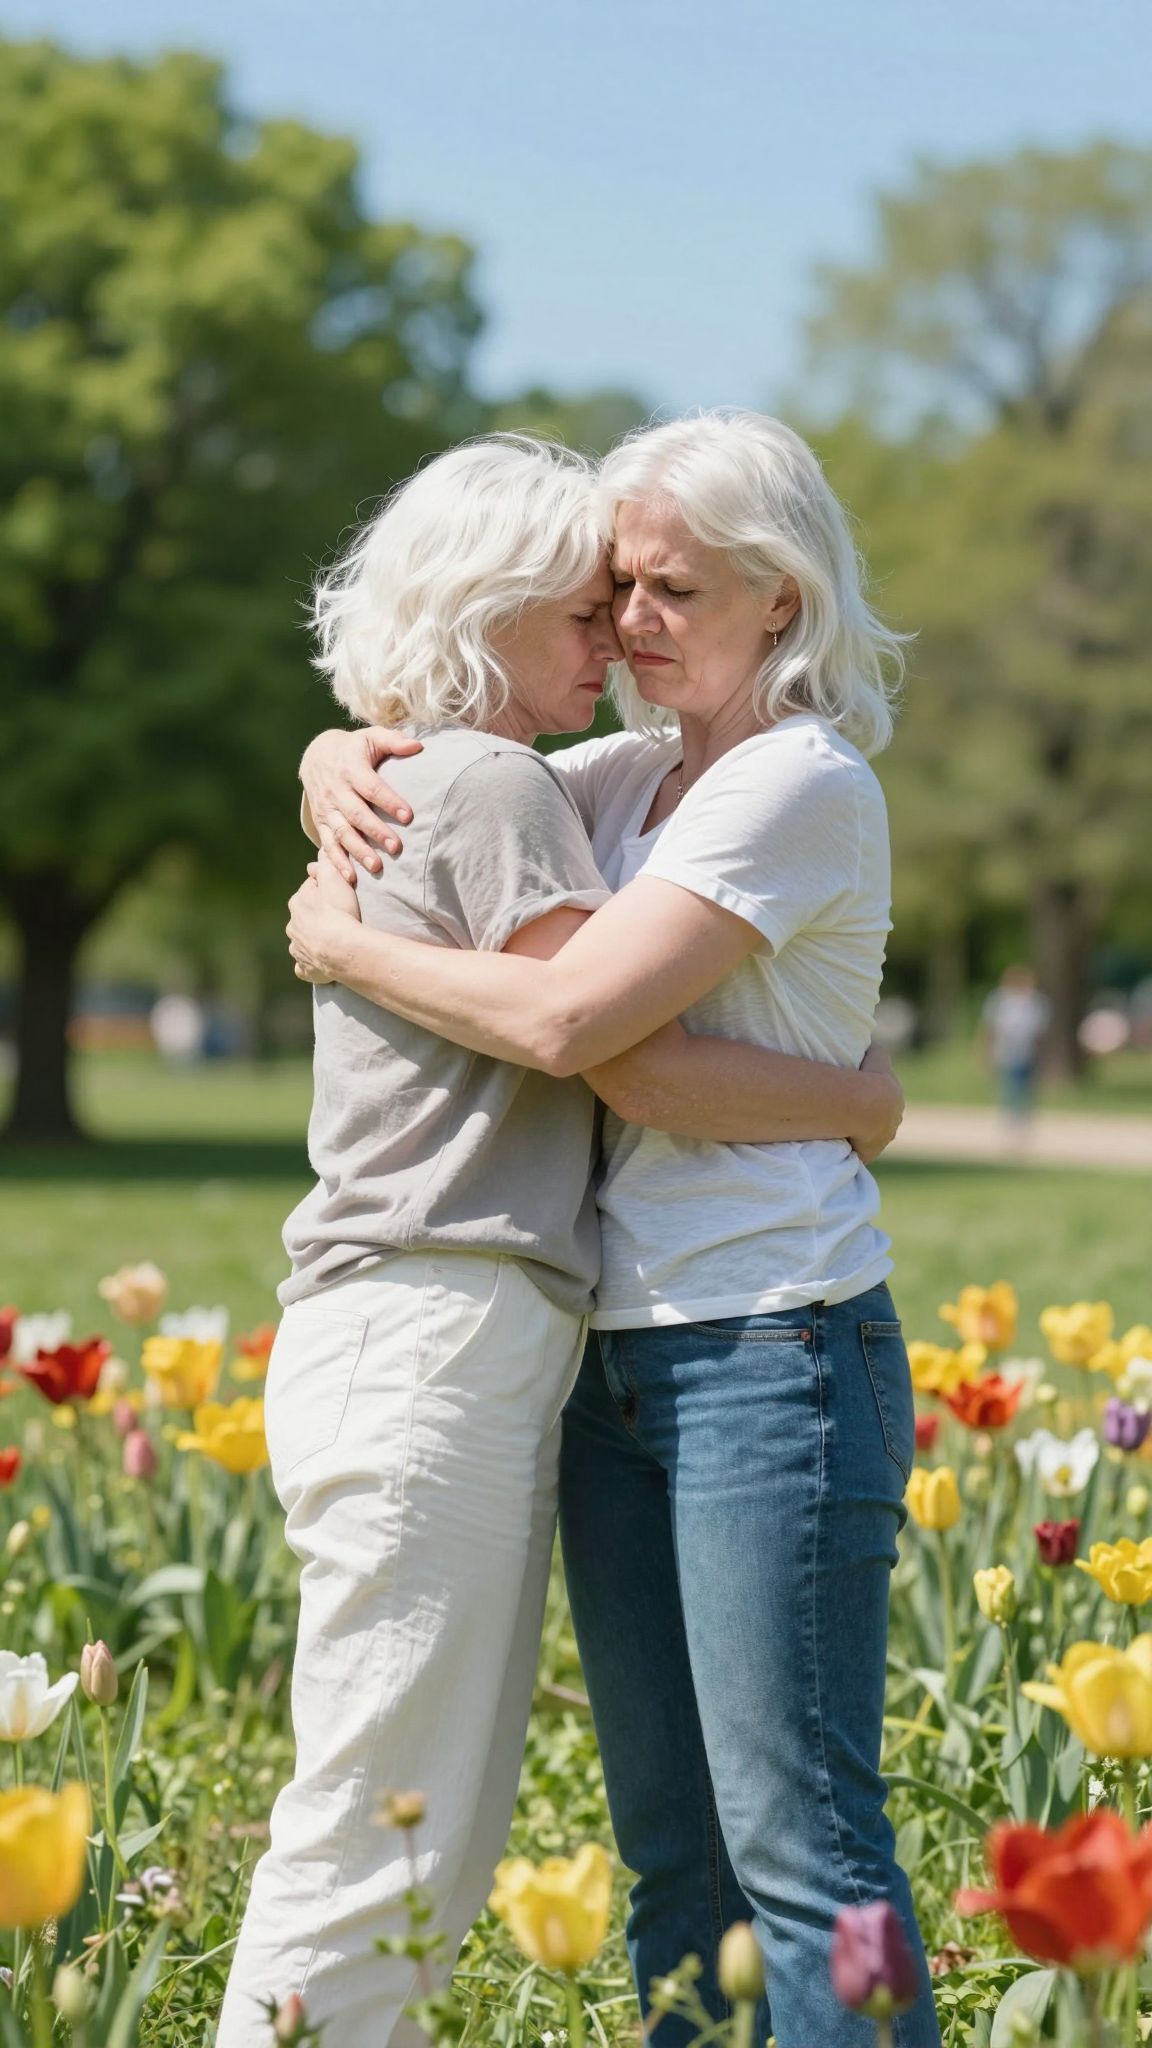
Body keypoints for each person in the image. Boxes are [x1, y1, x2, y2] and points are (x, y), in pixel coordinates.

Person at [219, 433, 904, 2048]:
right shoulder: (607, 779)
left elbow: (593, 1030)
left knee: (799, 1842)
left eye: (669, 591)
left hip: (766, 1332)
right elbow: (443, 764)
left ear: (779, 598)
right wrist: (335, 750)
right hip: (608, 1345)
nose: (632, 624)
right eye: (609, 594)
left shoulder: (792, 779)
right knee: (672, 1850)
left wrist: (857, 1105)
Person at [980, 963, 1051, 1123]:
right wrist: (986, 1050)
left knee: (1027, 1086)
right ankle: (1011, 1116)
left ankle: (1024, 1116)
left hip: (1029, 1051)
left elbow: (1040, 1031)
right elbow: (991, 1028)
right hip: (1008, 1050)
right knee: (1011, 1085)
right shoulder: (1000, 1000)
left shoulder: (1036, 1002)